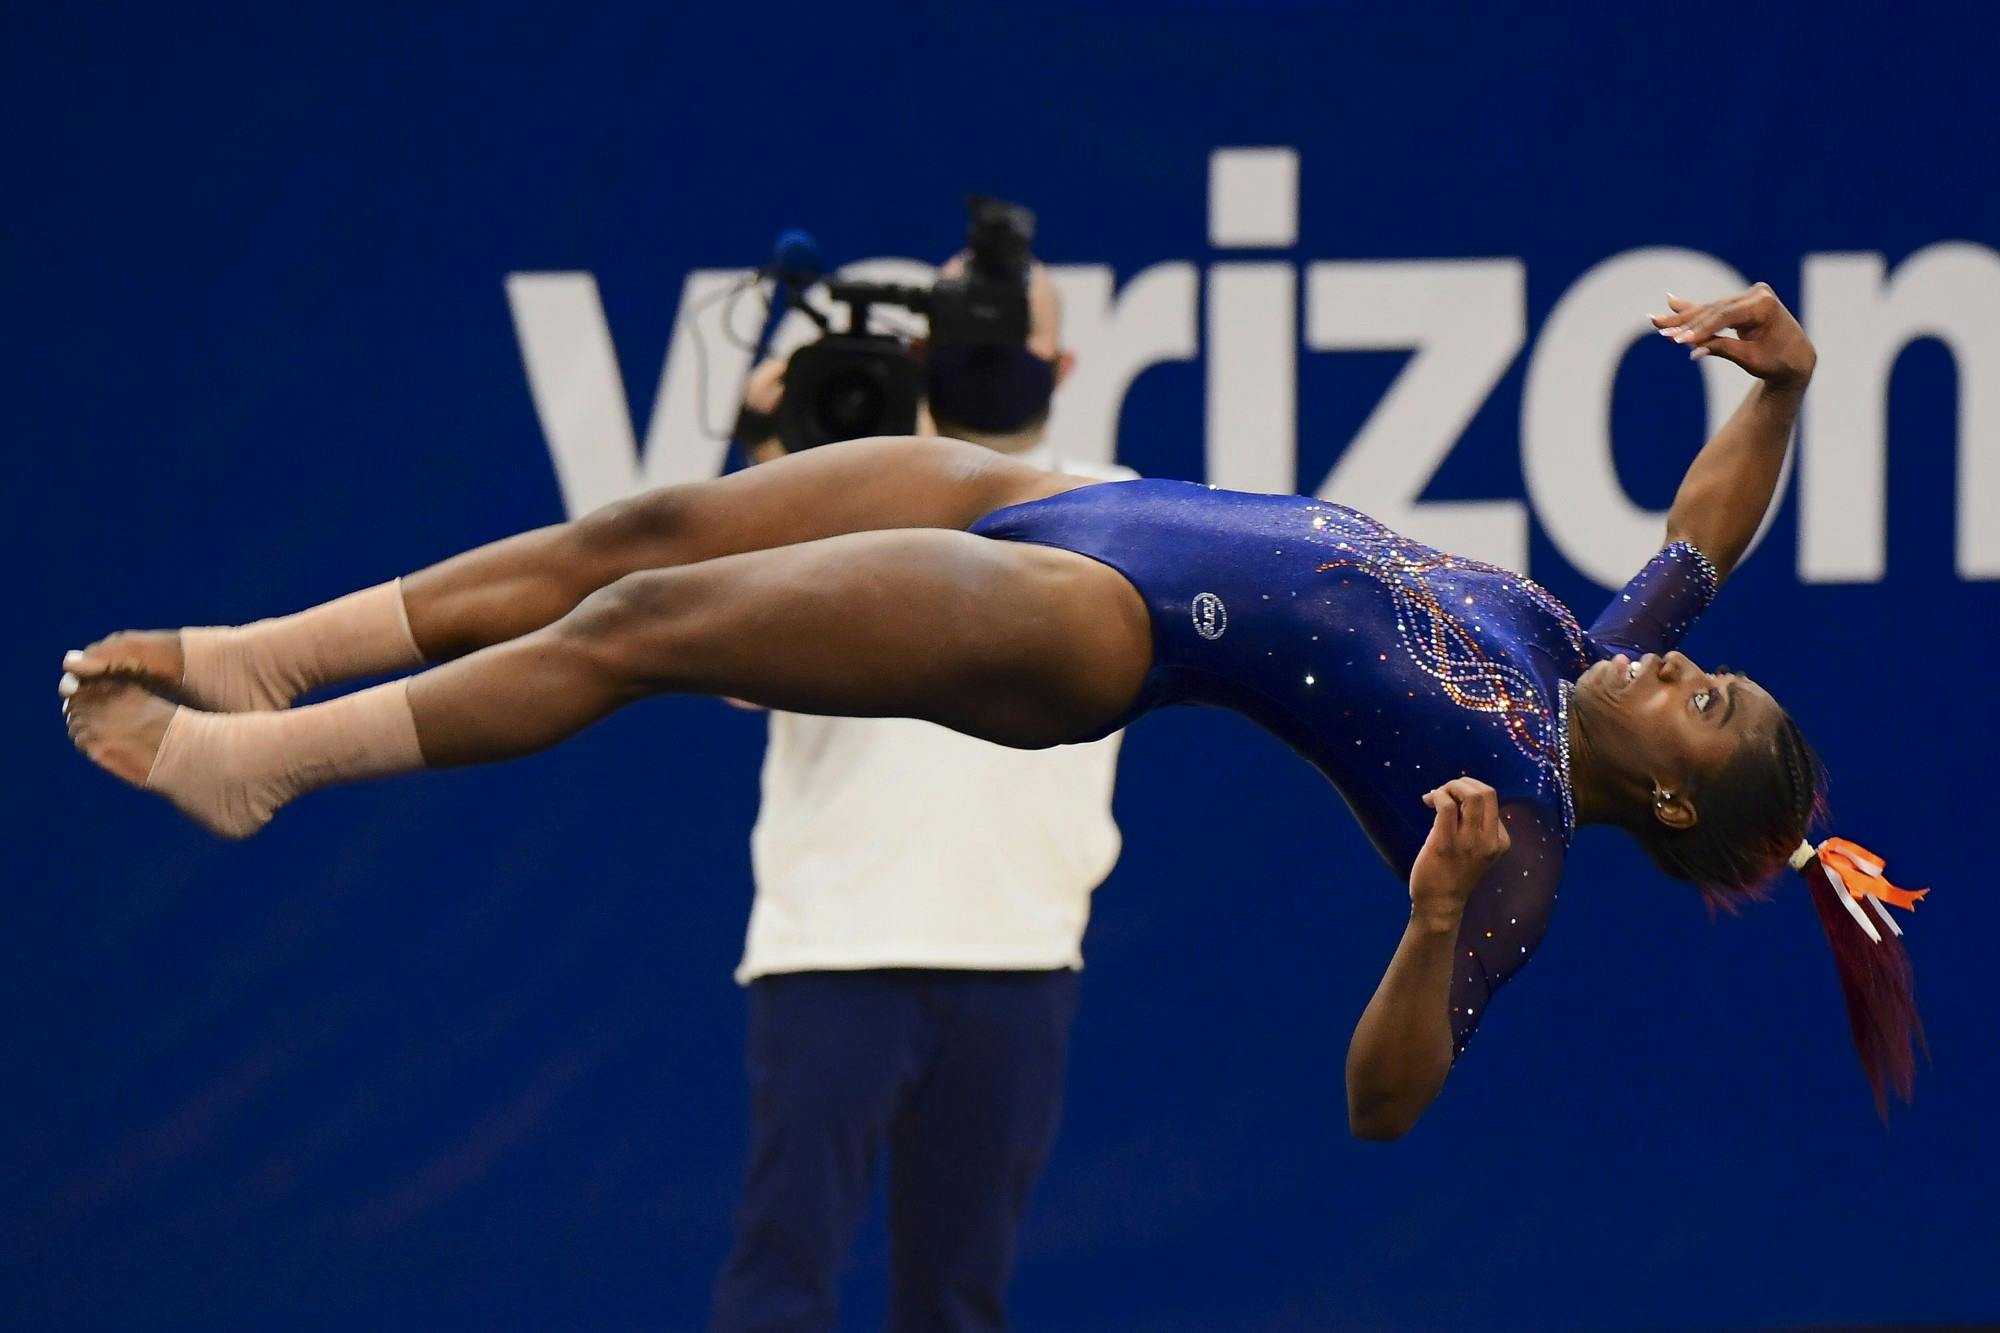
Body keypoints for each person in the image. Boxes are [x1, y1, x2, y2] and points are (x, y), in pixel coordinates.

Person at [62, 283, 1929, 1138]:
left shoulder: (1513, 822)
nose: (1685, 666)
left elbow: (1388, 1098)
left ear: (1669, 807)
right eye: (1714, 663)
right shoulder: (1566, 634)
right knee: (646, 526)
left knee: (644, 617)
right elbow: (1708, 526)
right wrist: (1790, 382)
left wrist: (1433, 915)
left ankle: (258, 763)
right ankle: (267, 649)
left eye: (1707, 705)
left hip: (1089, 621)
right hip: (1057, 497)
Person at [712, 258, 1133, 1333]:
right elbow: (728, 667)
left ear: (1064, 364)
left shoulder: (1115, 508)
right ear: (917, 353)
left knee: (955, 1304)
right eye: (965, 332)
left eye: (1012, 338)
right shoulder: (829, 497)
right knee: (777, 1292)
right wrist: (764, 453)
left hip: (1015, 959)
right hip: (830, 949)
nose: (989, 356)